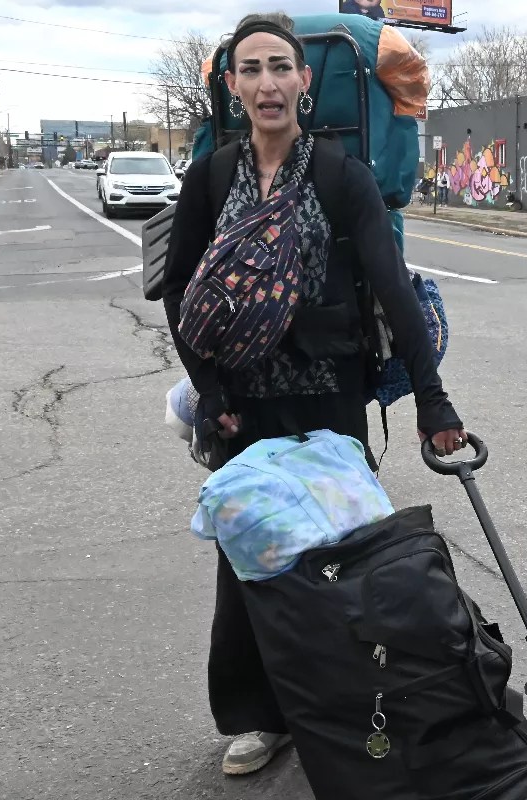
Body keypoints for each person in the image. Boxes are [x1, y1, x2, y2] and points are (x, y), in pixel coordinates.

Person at [162, 12, 466, 777]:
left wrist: (434, 403)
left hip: (332, 394)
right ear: (233, 88)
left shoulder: (339, 175)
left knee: (340, 558)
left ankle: (336, 708)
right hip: (244, 404)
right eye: (252, 69)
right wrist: (211, 387)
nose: (268, 83)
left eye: (281, 68)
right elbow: (178, 291)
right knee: (249, 560)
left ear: (304, 82)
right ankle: (256, 716)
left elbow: (394, 293)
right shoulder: (208, 178)